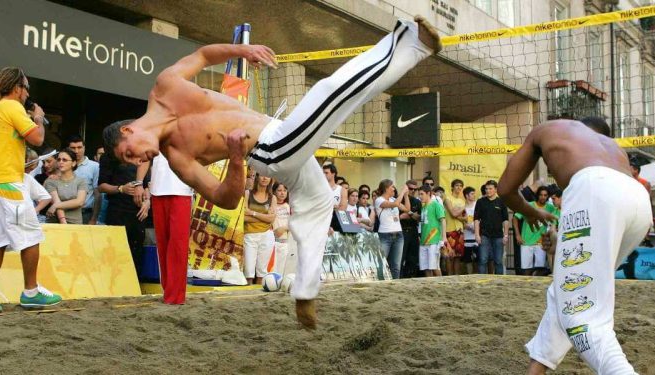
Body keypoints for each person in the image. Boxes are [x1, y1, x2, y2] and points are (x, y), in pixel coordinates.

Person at [103, 16, 442, 328]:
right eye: (130, 162)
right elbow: (224, 198)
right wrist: (236, 161)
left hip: (275, 130)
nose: (136, 161)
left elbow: (204, 55)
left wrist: (241, 49)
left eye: (128, 154)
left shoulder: (166, 85)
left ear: (128, 131)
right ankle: (411, 44)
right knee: (328, 93)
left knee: (319, 201)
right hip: (269, 151)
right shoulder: (176, 157)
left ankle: (305, 293)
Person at [497, 118, 651, 374]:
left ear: (578, 126)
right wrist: (560, 243)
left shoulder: (549, 129)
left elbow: (505, 189)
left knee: (581, 313)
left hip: (596, 191)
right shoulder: (612, 148)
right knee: (568, 293)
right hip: (637, 202)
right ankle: (536, 370)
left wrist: (532, 212)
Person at [0, 66, 62, 313]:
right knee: (32, 236)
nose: (27, 93)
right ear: (17, 88)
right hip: (8, 184)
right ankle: (31, 291)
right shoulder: (12, 107)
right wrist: (37, 118)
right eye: (26, 88)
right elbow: (37, 139)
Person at [150, 152, 193, 304]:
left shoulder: (189, 130)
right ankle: (168, 291)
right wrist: (138, 182)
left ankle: (176, 295)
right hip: (157, 189)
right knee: (162, 243)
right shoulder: (155, 130)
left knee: (178, 245)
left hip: (181, 190)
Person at [98, 151, 149, 276]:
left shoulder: (142, 153)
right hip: (117, 211)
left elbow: (148, 184)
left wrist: (147, 202)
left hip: (138, 212)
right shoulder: (109, 156)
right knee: (116, 252)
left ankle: (136, 286)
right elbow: (101, 186)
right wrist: (121, 189)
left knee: (136, 252)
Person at [513, 186, 556, 276]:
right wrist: (517, 235)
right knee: (526, 270)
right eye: (541, 195)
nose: (543, 197)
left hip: (540, 242)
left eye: (545, 195)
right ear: (537, 195)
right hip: (526, 241)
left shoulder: (550, 207)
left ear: (547, 196)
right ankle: (526, 288)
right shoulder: (529, 205)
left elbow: (557, 216)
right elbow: (515, 218)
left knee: (539, 270)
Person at [374, 179, 410, 279]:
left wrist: (406, 195)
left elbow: (407, 209)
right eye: (392, 187)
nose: (394, 188)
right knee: (382, 262)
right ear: (386, 188)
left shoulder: (394, 199)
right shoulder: (379, 200)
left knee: (396, 265)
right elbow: (394, 205)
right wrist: (402, 192)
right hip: (385, 235)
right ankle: (380, 283)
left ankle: (395, 284)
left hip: (398, 234)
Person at [244, 174, 275, 284]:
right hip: (250, 234)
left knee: (262, 272)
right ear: (257, 177)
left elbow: (271, 219)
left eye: (267, 175)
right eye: (262, 174)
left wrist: (252, 213)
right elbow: (243, 216)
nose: (265, 177)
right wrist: (264, 218)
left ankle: (256, 297)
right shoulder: (248, 194)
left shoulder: (272, 198)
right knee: (248, 271)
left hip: (266, 235)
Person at [474, 180, 509, 275]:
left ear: (495, 190)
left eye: (490, 188)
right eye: (486, 189)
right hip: (484, 235)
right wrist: (477, 234)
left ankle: (499, 282)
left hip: (498, 236)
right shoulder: (480, 202)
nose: (488, 191)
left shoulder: (501, 202)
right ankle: (481, 280)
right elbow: (476, 219)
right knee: (483, 260)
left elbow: (505, 220)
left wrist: (506, 235)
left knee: (498, 261)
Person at [44, 149, 87, 224]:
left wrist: (55, 206)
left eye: (64, 160)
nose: (61, 162)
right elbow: (56, 201)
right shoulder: (51, 181)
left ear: (73, 163)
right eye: (59, 160)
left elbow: (79, 202)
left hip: (76, 223)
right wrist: (63, 222)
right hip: (55, 223)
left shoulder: (81, 181)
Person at [66, 135, 101, 224]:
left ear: (84, 148)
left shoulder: (94, 167)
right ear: (68, 149)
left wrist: (93, 219)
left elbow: (98, 194)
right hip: (65, 212)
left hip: (85, 214)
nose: (76, 151)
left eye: (79, 147)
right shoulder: (63, 165)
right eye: (73, 148)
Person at [418, 185, 446, 277]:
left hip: (434, 240)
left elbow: (443, 220)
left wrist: (443, 238)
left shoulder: (436, 205)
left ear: (428, 193)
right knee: (425, 267)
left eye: (422, 194)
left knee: (434, 266)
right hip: (423, 241)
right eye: (419, 194)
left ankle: (441, 286)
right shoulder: (423, 207)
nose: (420, 196)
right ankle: (429, 286)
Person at [444, 179, 466, 275]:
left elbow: (465, 218)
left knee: (458, 256)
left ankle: (457, 276)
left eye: (461, 186)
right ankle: (449, 276)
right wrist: (461, 209)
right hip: (449, 230)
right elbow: (453, 213)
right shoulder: (448, 198)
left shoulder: (462, 200)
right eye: (457, 185)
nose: (459, 187)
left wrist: (458, 214)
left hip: (460, 231)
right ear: (452, 187)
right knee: (450, 256)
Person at [399, 180, 421, 278]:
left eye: (415, 189)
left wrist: (410, 214)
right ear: (406, 188)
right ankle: (400, 276)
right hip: (402, 230)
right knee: (401, 256)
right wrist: (412, 214)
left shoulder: (417, 201)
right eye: (411, 188)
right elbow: (400, 216)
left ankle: (411, 277)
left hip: (413, 230)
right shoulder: (399, 200)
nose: (413, 191)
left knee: (413, 257)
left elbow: (419, 217)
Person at [271, 181, 292, 275]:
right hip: (272, 241)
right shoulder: (271, 205)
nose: (282, 193)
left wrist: (284, 228)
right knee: (271, 269)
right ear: (274, 192)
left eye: (284, 190)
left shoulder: (289, 206)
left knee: (281, 270)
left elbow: (293, 223)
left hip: (284, 242)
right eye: (279, 190)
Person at [461, 186, 479, 274]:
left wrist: (476, 228)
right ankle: (469, 276)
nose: (474, 195)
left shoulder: (478, 205)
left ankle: (477, 277)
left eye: (474, 193)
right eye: (472, 194)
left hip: (477, 236)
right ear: (466, 196)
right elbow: (459, 220)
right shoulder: (462, 207)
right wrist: (466, 225)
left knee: (478, 259)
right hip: (466, 237)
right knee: (468, 260)